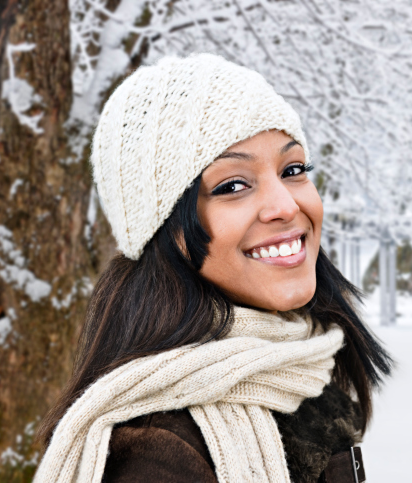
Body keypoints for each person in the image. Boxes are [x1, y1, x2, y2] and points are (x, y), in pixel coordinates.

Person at [34, 53, 392, 483]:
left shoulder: (307, 382)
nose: (285, 205)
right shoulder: (154, 454)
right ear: (164, 228)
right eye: (233, 185)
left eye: (293, 170)